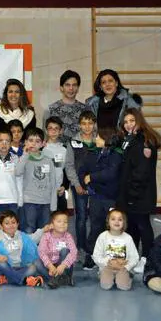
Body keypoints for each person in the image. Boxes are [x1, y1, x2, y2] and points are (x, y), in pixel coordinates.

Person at [117, 108, 161, 274]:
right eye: (126, 122)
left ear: (139, 120)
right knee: (133, 226)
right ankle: (135, 256)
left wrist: (132, 193)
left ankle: (147, 258)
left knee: (143, 225)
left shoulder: (145, 141)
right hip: (131, 192)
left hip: (139, 193)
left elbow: (141, 172)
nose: (129, 124)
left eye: (132, 121)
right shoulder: (131, 139)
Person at [79, 127, 123, 271]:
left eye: (98, 136)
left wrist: (92, 177)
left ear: (106, 139)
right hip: (96, 198)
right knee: (95, 227)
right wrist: (85, 181)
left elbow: (111, 173)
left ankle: (112, 258)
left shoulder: (116, 155)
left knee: (112, 228)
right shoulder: (92, 153)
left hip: (111, 198)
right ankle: (91, 256)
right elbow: (83, 170)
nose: (95, 139)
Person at [64, 110, 97, 261]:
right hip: (78, 185)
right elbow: (69, 166)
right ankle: (81, 247)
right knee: (81, 216)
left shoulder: (99, 141)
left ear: (94, 124)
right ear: (79, 125)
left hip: (98, 184)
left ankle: (95, 246)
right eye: (84, 123)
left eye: (90, 123)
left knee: (97, 216)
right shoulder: (72, 142)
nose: (87, 126)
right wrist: (76, 184)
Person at [0, 210, 44, 287]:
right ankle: (23, 281)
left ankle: (5, 279)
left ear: (17, 224)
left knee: (33, 268)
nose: (11, 225)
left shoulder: (21, 236)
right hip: (4, 268)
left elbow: (33, 238)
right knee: (2, 264)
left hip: (18, 267)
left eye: (13, 223)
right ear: (0, 226)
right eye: (7, 223)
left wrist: (43, 230)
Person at [16, 127, 57, 233]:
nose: (33, 144)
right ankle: (30, 250)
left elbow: (53, 182)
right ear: (25, 142)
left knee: (45, 230)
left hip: (45, 202)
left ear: (43, 143)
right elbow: (17, 172)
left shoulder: (48, 161)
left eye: (37, 141)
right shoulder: (24, 159)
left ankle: (42, 250)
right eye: (30, 140)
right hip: (29, 202)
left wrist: (53, 203)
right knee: (29, 229)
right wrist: (25, 155)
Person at [92, 209, 139, 291]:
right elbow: (96, 256)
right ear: (108, 222)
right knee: (106, 286)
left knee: (123, 287)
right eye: (113, 219)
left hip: (123, 267)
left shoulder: (128, 238)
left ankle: (128, 276)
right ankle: (105, 275)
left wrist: (127, 267)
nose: (116, 222)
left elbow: (135, 257)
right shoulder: (102, 236)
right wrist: (108, 262)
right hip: (107, 266)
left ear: (124, 222)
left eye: (120, 219)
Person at [37, 211, 77, 289]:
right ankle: (61, 279)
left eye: (65, 222)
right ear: (52, 225)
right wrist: (50, 266)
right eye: (59, 221)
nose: (63, 224)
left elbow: (74, 252)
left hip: (63, 266)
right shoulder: (46, 236)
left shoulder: (68, 236)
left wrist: (63, 265)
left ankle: (57, 279)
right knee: (36, 262)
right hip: (51, 266)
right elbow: (42, 252)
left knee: (65, 250)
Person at [0, 78, 36, 145]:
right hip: (3, 153)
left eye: (17, 92)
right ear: (6, 94)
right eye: (10, 92)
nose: (13, 95)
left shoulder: (29, 114)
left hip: (24, 152)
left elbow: (32, 139)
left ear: (21, 95)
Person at [46, 70, 87, 140]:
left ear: (78, 88)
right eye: (67, 85)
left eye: (74, 85)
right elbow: (45, 136)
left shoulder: (85, 109)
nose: (71, 88)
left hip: (79, 149)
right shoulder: (50, 110)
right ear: (61, 88)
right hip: (56, 150)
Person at [42, 116, 69, 212]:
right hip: (43, 191)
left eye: (56, 128)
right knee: (44, 221)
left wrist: (64, 186)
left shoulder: (64, 149)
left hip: (59, 190)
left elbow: (66, 170)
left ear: (61, 131)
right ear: (46, 130)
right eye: (50, 128)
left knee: (60, 220)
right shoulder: (41, 148)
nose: (53, 131)